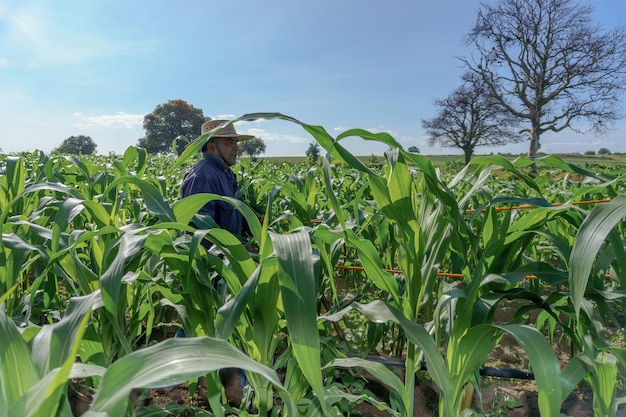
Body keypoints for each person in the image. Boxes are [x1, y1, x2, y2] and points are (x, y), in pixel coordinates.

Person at [180, 119, 254, 243]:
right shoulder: (202, 177)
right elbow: (200, 235)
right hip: (218, 260)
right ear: (212, 147)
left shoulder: (227, 174)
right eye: (230, 142)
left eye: (236, 142)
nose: (237, 147)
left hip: (233, 256)